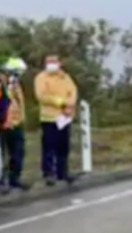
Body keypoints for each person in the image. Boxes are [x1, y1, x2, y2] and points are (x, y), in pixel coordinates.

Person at [34, 55, 78, 186]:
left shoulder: (65, 77)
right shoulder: (41, 78)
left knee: (63, 146)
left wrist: (69, 105)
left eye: (54, 62)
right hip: (49, 118)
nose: (52, 64)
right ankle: (48, 174)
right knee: (49, 147)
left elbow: (73, 91)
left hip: (64, 117)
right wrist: (61, 103)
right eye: (49, 62)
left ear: (59, 63)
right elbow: (42, 96)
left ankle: (62, 172)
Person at [0, 58, 30, 192]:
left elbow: (19, 102)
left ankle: (14, 179)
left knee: (18, 152)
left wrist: (22, 118)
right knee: (2, 155)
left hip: (16, 123)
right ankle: (2, 182)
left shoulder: (15, 84)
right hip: (3, 123)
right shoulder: (2, 83)